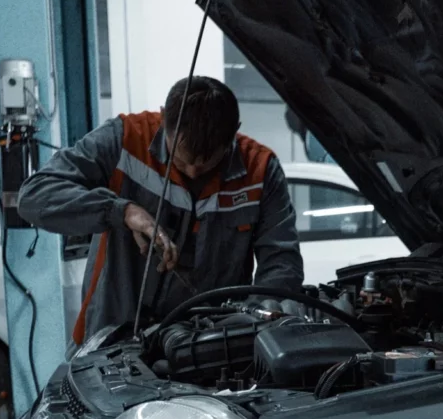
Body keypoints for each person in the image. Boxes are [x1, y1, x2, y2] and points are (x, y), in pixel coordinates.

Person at [18, 76, 304, 349]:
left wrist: (259, 315)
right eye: (183, 159)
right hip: (110, 344)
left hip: (213, 348)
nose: (192, 171)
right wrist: (121, 210)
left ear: (235, 130)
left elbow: (281, 261)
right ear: (165, 117)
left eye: (207, 164)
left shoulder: (260, 170)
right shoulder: (125, 140)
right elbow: (35, 195)